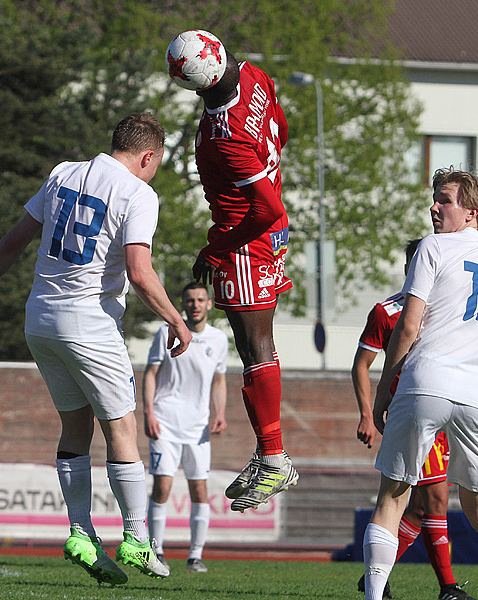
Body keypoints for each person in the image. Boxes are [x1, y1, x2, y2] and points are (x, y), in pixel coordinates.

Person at [0, 113, 190, 586]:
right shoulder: (138, 193)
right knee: (121, 428)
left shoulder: (63, 173)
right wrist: (176, 318)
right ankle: (138, 540)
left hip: (40, 319)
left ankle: (81, 533)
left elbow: (17, 239)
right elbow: (140, 271)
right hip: (90, 324)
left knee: (75, 425)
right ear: (148, 156)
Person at [362, 169, 478, 600]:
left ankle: (374, 596)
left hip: (426, 382)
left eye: (444, 200)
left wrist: (383, 389)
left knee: (391, 500)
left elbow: (408, 327)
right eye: (435, 199)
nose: (434, 206)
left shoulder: (433, 247)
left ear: (472, 213)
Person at [166, 30, 297, 513]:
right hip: (268, 235)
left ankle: (274, 456)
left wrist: (217, 249)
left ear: (196, 86)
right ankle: (272, 452)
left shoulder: (227, 136)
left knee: (255, 346)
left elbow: (264, 208)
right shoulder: (254, 75)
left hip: (246, 237)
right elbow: (282, 128)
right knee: (255, 345)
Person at [353, 239, 478, 600]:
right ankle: (444, 586)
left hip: (445, 410)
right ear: (410, 269)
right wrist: (368, 412)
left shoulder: (445, 303)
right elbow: (362, 364)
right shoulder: (387, 312)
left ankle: (378, 579)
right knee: (429, 502)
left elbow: (475, 339)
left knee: (417, 507)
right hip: (410, 411)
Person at [143, 281, 228, 573]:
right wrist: (149, 412)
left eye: (200, 299)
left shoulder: (219, 339)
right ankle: (157, 550)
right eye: (190, 300)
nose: (195, 304)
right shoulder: (165, 332)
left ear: (208, 304)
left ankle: (195, 556)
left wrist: (221, 413)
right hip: (165, 422)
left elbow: (219, 379)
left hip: (198, 428)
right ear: (183, 304)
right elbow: (151, 373)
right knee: (162, 487)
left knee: (199, 490)